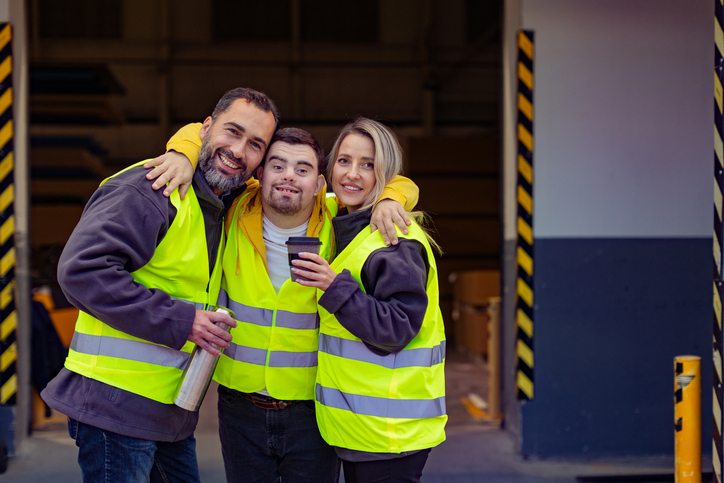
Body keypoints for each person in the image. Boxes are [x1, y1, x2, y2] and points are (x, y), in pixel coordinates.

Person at [146, 123, 419, 482]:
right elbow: (209, 133)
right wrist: (181, 153)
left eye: (303, 169)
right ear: (259, 173)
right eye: (278, 165)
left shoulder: (339, 219)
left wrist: (390, 198)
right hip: (238, 406)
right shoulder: (234, 207)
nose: (289, 177)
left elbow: (400, 183)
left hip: (312, 409)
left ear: (321, 183)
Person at [40, 87, 279, 482]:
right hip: (115, 408)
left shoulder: (228, 203)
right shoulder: (151, 187)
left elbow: (311, 189)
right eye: (232, 132)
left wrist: (394, 196)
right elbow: (81, 271)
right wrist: (184, 322)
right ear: (205, 128)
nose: (239, 150)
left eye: (255, 144)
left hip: (168, 410)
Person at [291, 118, 447, 483]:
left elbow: (395, 329)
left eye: (368, 165)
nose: (353, 174)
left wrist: (334, 288)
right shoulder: (337, 217)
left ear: (385, 173)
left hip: (390, 435)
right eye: (344, 161)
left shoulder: (396, 242)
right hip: (360, 429)